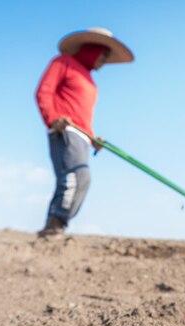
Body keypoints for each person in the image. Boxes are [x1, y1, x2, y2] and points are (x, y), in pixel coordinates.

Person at [35, 27, 134, 238]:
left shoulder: (90, 81)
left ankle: (57, 224)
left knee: (83, 178)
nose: (103, 61)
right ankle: (54, 225)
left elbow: (82, 114)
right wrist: (53, 119)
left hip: (81, 134)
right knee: (72, 177)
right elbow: (44, 92)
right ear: (92, 49)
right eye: (102, 55)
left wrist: (92, 139)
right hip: (64, 129)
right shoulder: (62, 63)